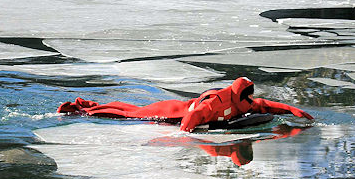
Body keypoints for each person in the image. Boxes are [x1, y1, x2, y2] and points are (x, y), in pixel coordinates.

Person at [57, 77, 313, 132]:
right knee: (129, 114)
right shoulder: (217, 102)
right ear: (238, 94)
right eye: (247, 95)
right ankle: (83, 109)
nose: (250, 100)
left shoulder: (241, 102)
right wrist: (184, 137)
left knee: (130, 110)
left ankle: (90, 105)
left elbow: (264, 105)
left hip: (176, 109)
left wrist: (291, 110)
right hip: (170, 112)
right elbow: (194, 117)